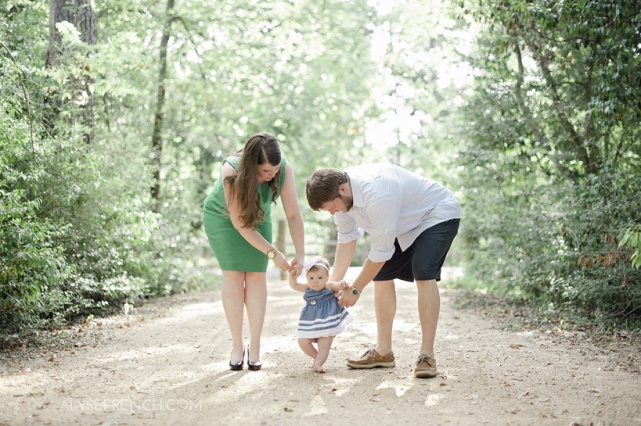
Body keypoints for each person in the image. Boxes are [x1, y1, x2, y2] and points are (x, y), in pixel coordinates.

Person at [305, 164, 460, 378]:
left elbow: (380, 252)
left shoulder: (377, 195)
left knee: (423, 272)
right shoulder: (341, 199)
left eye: (332, 207)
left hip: (435, 213)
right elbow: (347, 238)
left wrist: (356, 289)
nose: (332, 212)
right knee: (381, 274)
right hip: (402, 223)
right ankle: (383, 352)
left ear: (342, 189)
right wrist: (333, 286)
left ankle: (426, 355)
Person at [203, 132, 305, 371]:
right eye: (265, 172)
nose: (272, 176)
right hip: (224, 219)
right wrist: (273, 253)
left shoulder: (284, 170)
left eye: (275, 170)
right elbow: (239, 223)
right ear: (251, 166)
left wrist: (300, 253)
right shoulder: (231, 172)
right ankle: (237, 345)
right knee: (234, 275)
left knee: (257, 276)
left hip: (259, 217)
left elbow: (293, 213)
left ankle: (255, 346)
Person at [288, 256, 353, 373]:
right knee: (302, 341)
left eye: (320, 277)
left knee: (325, 344)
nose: (315, 281)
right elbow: (295, 286)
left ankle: (318, 364)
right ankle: (317, 357)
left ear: (327, 278)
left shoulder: (329, 286)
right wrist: (292, 278)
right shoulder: (307, 288)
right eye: (311, 278)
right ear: (307, 277)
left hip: (328, 320)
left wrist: (343, 284)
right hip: (311, 320)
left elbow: (337, 285)